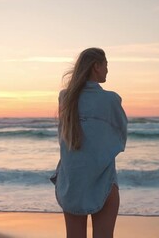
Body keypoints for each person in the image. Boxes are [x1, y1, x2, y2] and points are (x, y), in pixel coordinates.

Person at [50, 48, 128, 238]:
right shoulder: (111, 99)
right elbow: (120, 135)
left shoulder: (65, 98)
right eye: (106, 65)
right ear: (96, 67)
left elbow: (64, 135)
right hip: (103, 179)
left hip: (72, 180)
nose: (107, 70)